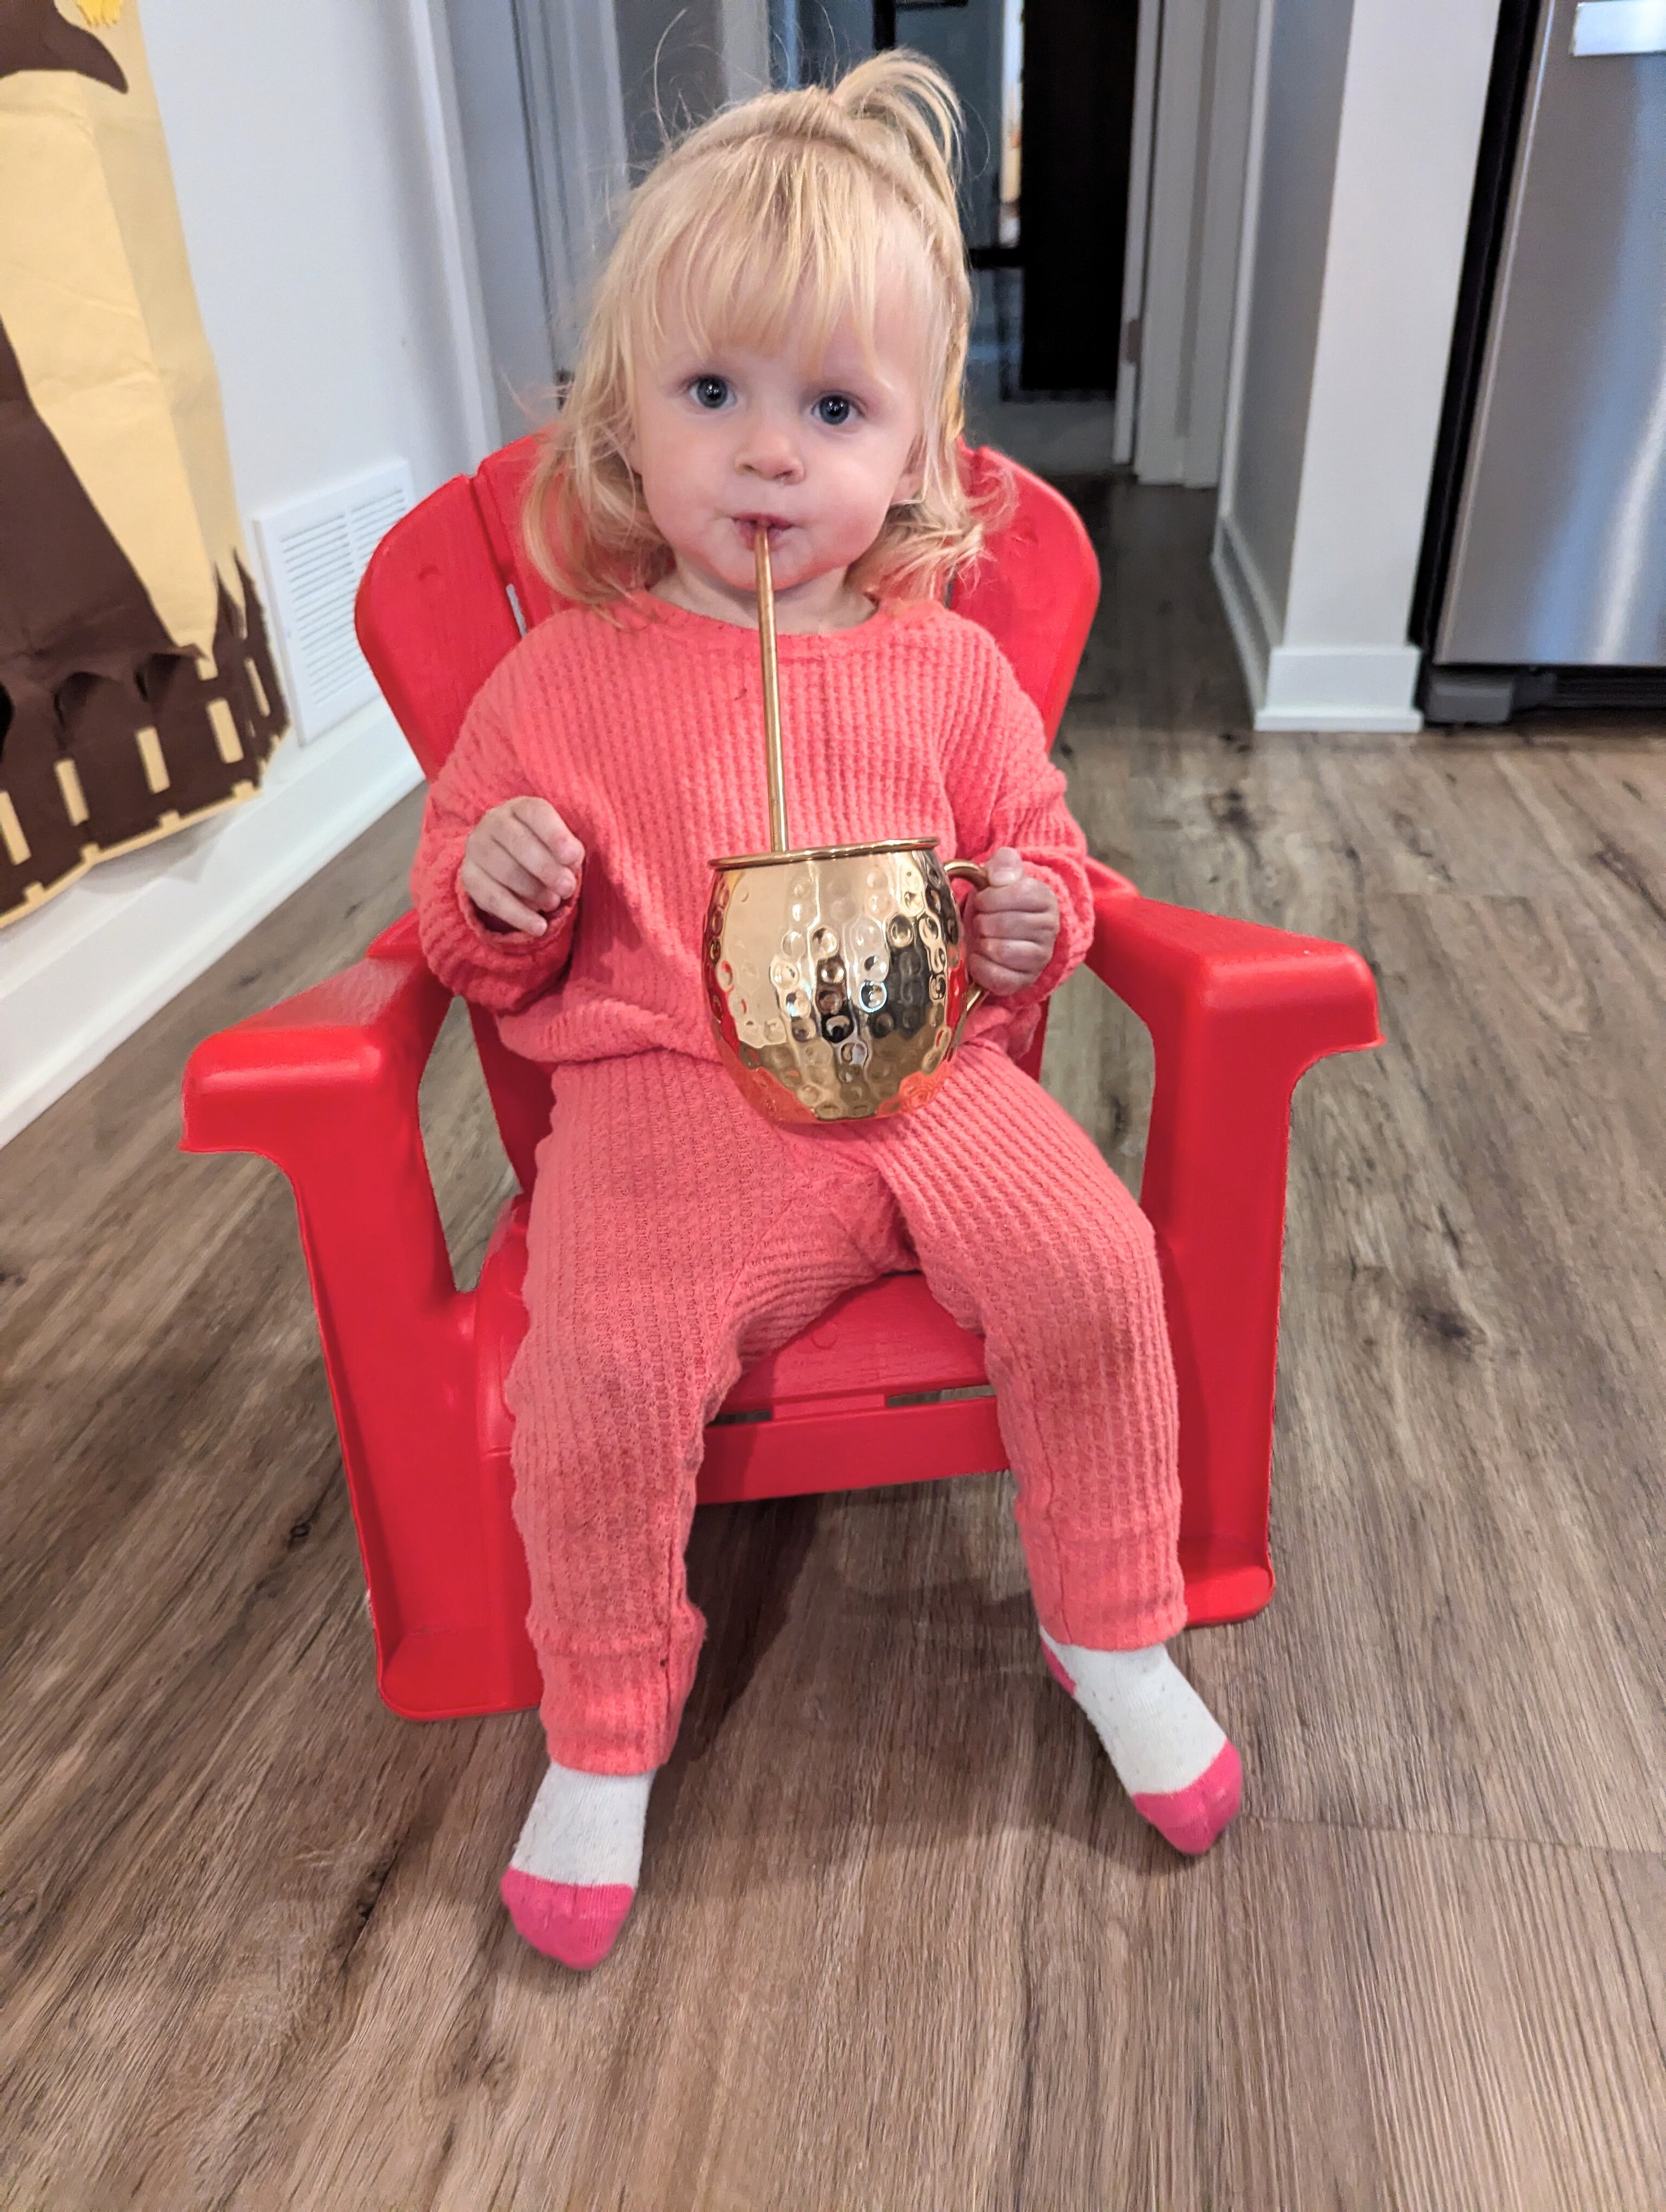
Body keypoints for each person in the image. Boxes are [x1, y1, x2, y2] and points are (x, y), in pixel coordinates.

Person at [411, 52, 1239, 1973]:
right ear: (629, 419)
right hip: (662, 1099)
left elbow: (1039, 857)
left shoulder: (945, 670)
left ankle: (1109, 1626)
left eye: (834, 407)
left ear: (914, 448)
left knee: (1095, 1266)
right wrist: (498, 887)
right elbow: (465, 933)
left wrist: (1036, 917)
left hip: (928, 1067)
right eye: (715, 395)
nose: (771, 454)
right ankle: (605, 1723)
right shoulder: (560, 688)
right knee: (601, 1373)